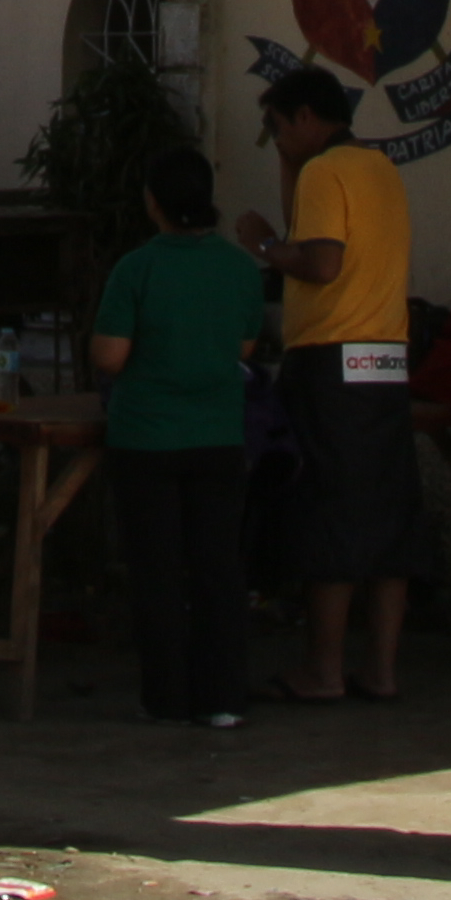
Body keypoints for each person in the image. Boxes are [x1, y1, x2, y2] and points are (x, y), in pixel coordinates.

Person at [235, 65, 429, 701]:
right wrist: (291, 171)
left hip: (330, 360)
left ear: (305, 118)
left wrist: (262, 245)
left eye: (276, 127)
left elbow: (319, 259)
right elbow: (314, 228)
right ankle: (383, 669)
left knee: (329, 517)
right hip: (386, 358)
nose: (275, 140)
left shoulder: (325, 171)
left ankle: (322, 670)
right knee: (387, 517)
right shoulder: (377, 169)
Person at [90, 140, 272, 727]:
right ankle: (223, 697)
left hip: (145, 437)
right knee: (219, 566)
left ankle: (165, 695)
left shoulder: (136, 268)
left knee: (157, 570)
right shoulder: (239, 268)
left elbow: (111, 356)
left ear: (153, 202)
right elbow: (245, 346)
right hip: (218, 434)